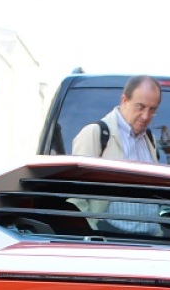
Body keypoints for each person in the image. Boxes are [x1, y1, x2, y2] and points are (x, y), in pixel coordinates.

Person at [70, 75, 163, 234]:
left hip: (150, 240)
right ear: (124, 100)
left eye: (152, 109)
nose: (146, 116)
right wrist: (90, 234)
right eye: (140, 107)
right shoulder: (96, 134)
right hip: (111, 238)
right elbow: (74, 197)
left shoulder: (150, 139)